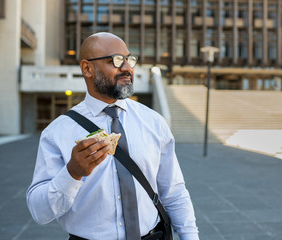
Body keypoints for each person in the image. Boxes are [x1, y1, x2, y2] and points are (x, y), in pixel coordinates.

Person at [26, 32, 199, 240]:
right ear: (87, 69)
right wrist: (72, 173)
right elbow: (39, 212)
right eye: (116, 60)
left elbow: (174, 192)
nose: (127, 68)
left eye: (129, 59)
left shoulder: (154, 122)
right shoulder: (57, 133)